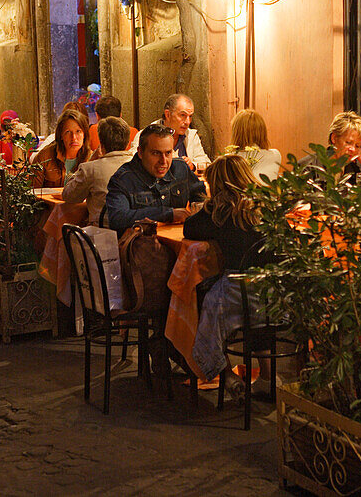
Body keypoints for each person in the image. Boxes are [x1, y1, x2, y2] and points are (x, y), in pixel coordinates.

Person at [186, 155, 277, 388]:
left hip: (236, 293)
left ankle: (225, 374)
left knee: (198, 293)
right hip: (274, 294)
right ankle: (268, 376)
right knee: (257, 305)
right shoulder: (268, 203)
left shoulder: (221, 209)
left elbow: (190, 228)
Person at [104, 122, 206, 233]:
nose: (163, 161)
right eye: (156, 153)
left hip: (179, 240)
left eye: (168, 153)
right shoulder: (122, 180)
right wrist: (167, 214)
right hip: (143, 244)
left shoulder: (180, 168)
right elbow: (118, 219)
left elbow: (200, 197)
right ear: (140, 152)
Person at [61, 117, 134, 227]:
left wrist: (90, 161)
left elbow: (68, 196)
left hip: (102, 235)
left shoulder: (91, 169)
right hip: (135, 233)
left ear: (101, 144)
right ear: (128, 142)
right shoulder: (140, 166)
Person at [303, 111, 361, 184]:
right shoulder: (308, 167)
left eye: (357, 146)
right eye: (348, 142)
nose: (353, 149)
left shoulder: (355, 170)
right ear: (334, 138)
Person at [29, 108, 92, 187]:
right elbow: (32, 193)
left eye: (78, 131)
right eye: (68, 132)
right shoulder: (44, 157)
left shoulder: (91, 158)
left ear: (84, 135)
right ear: (61, 135)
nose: (74, 138)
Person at [227, 109, 281, 181]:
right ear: (263, 131)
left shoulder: (228, 160)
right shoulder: (275, 155)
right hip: (267, 192)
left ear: (236, 133)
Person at [162, 93, 210, 168]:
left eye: (190, 116)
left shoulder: (191, 135)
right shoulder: (148, 135)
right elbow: (138, 167)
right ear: (168, 114)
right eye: (182, 115)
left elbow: (206, 165)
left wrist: (192, 166)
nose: (188, 122)